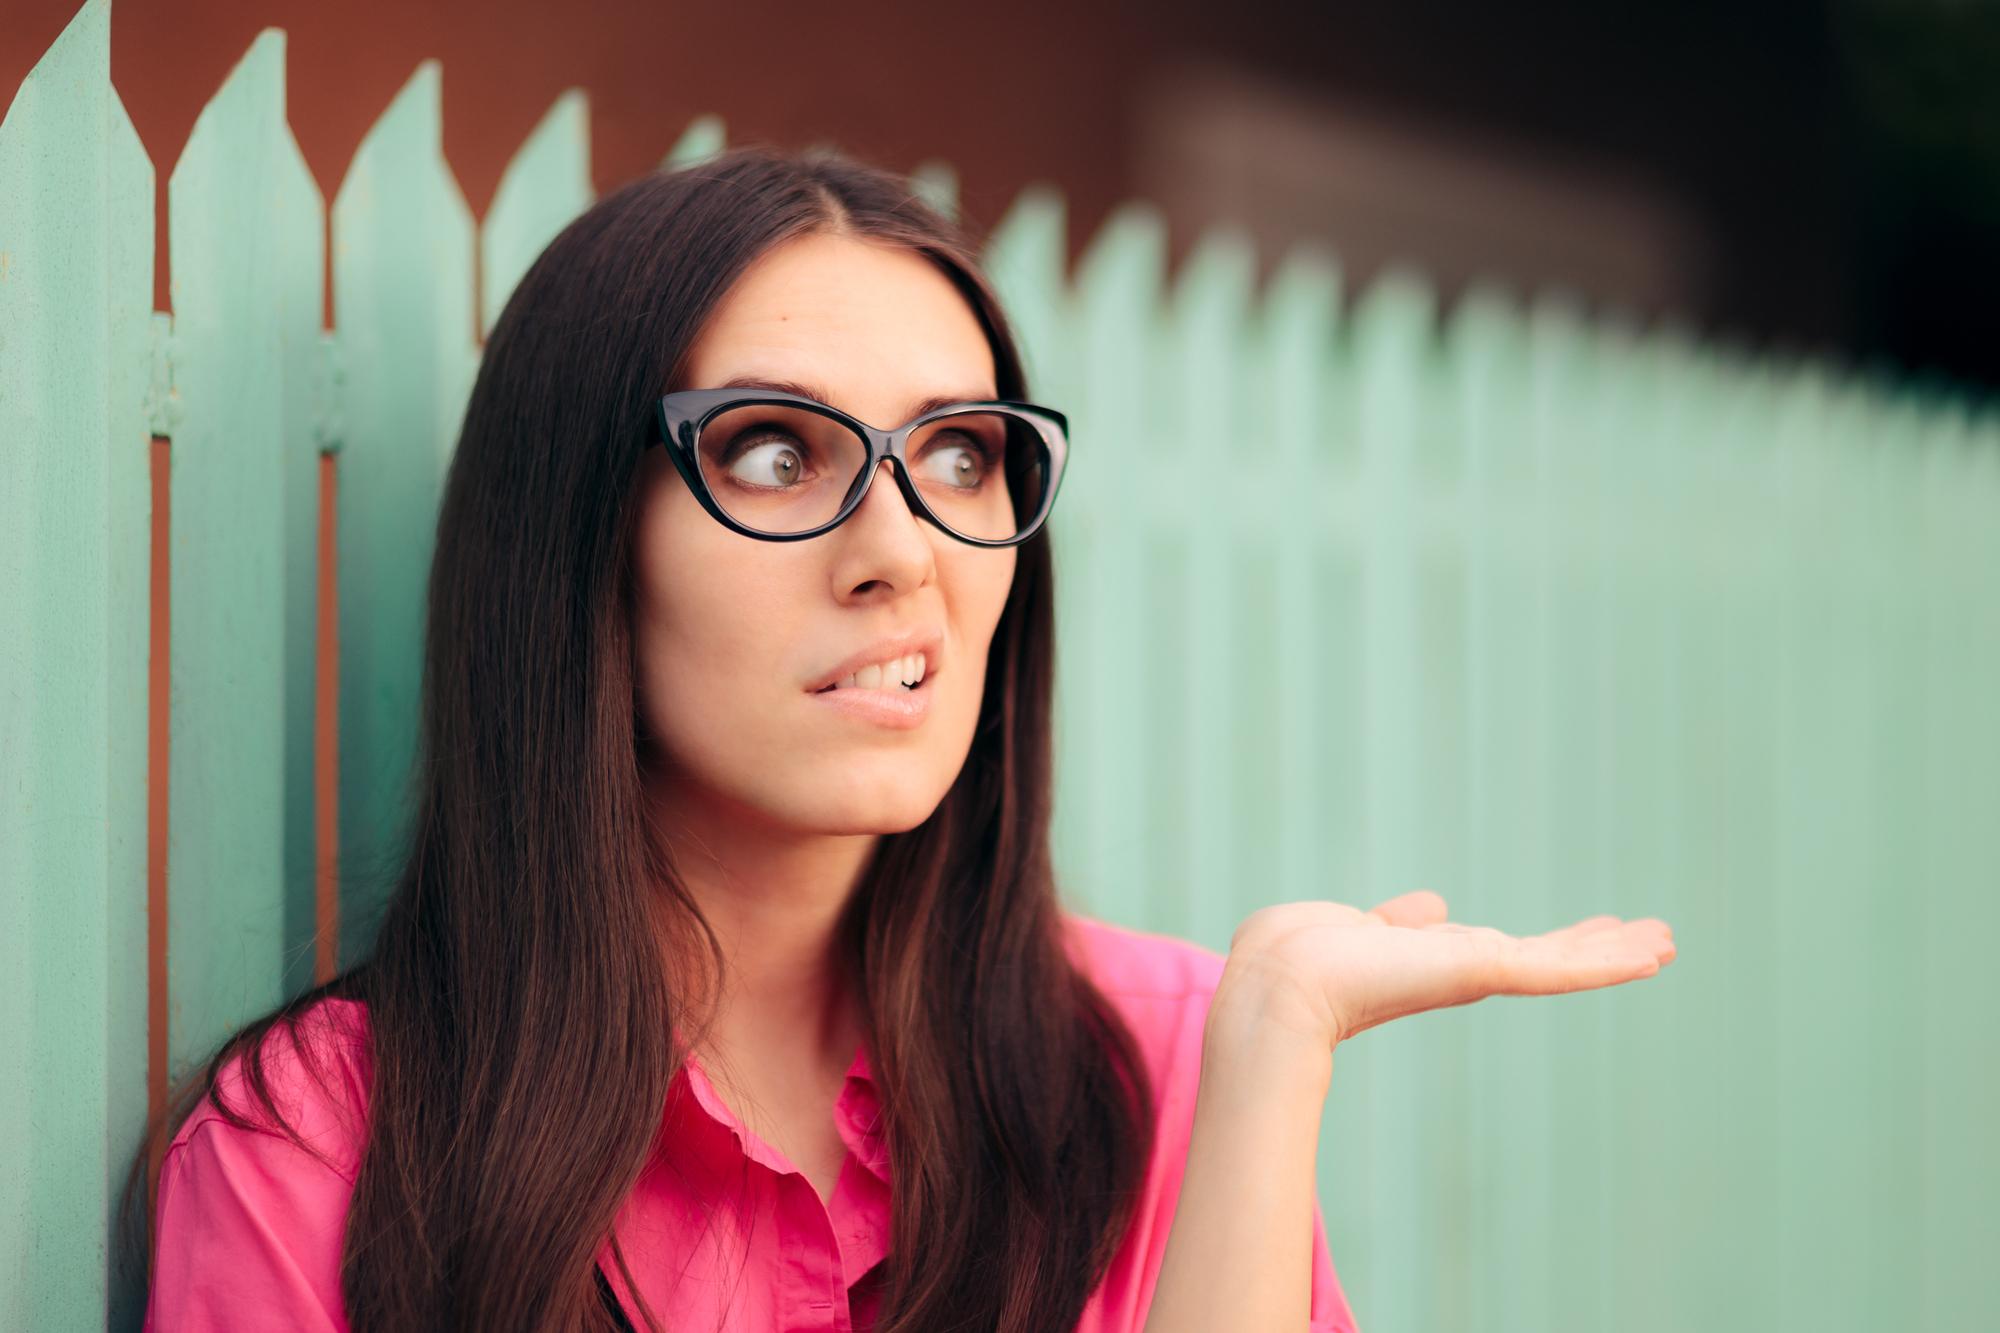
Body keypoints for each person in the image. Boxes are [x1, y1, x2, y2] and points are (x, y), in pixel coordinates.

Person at [143, 150, 1674, 1333]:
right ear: (579, 537)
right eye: (771, 448)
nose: (903, 549)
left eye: (960, 451)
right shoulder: (324, 1148)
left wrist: (1264, 1055)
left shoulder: (1165, 1055)